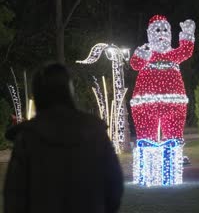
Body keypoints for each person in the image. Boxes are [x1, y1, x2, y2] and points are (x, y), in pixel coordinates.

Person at [4, 63, 123, 213]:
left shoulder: (27, 138)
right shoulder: (95, 133)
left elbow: (15, 196)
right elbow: (114, 186)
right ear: (70, 92)